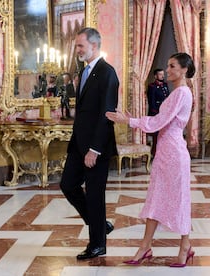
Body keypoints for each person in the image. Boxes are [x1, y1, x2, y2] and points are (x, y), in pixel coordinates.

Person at [106, 52, 196, 267]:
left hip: (173, 153)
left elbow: (158, 122)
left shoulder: (182, 93)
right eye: (168, 65)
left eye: (173, 66)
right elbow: (160, 122)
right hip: (166, 152)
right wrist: (132, 119)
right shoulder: (178, 92)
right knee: (156, 200)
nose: (168, 69)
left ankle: (185, 246)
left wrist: (129, 121)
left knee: (179, 199)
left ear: (184, 70)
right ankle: (145, 247)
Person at [59, 27, 119, 260]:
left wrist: (94, 149)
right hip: (78, 144)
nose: (78, 50)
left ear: (94, 46)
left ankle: (98, 244)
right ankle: (100, 225)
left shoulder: (107, 73)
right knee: (67, 185)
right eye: (77, 46)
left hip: (96, 146)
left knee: (95, 195)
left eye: (80, 45)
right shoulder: (84, 72)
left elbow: (106, 114)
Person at [147, 68, 170, 156]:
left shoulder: (165, 85)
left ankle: (163, 153)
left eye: (163, 74)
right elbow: (151, 101)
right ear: (155, 76)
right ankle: (155, 153)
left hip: (165, 113)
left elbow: (167, 98)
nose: (162, 76)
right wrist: (156, 113)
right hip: (156, 113)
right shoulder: (152, 87)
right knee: (156, 135)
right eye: (160, 74)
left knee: (164, 133)